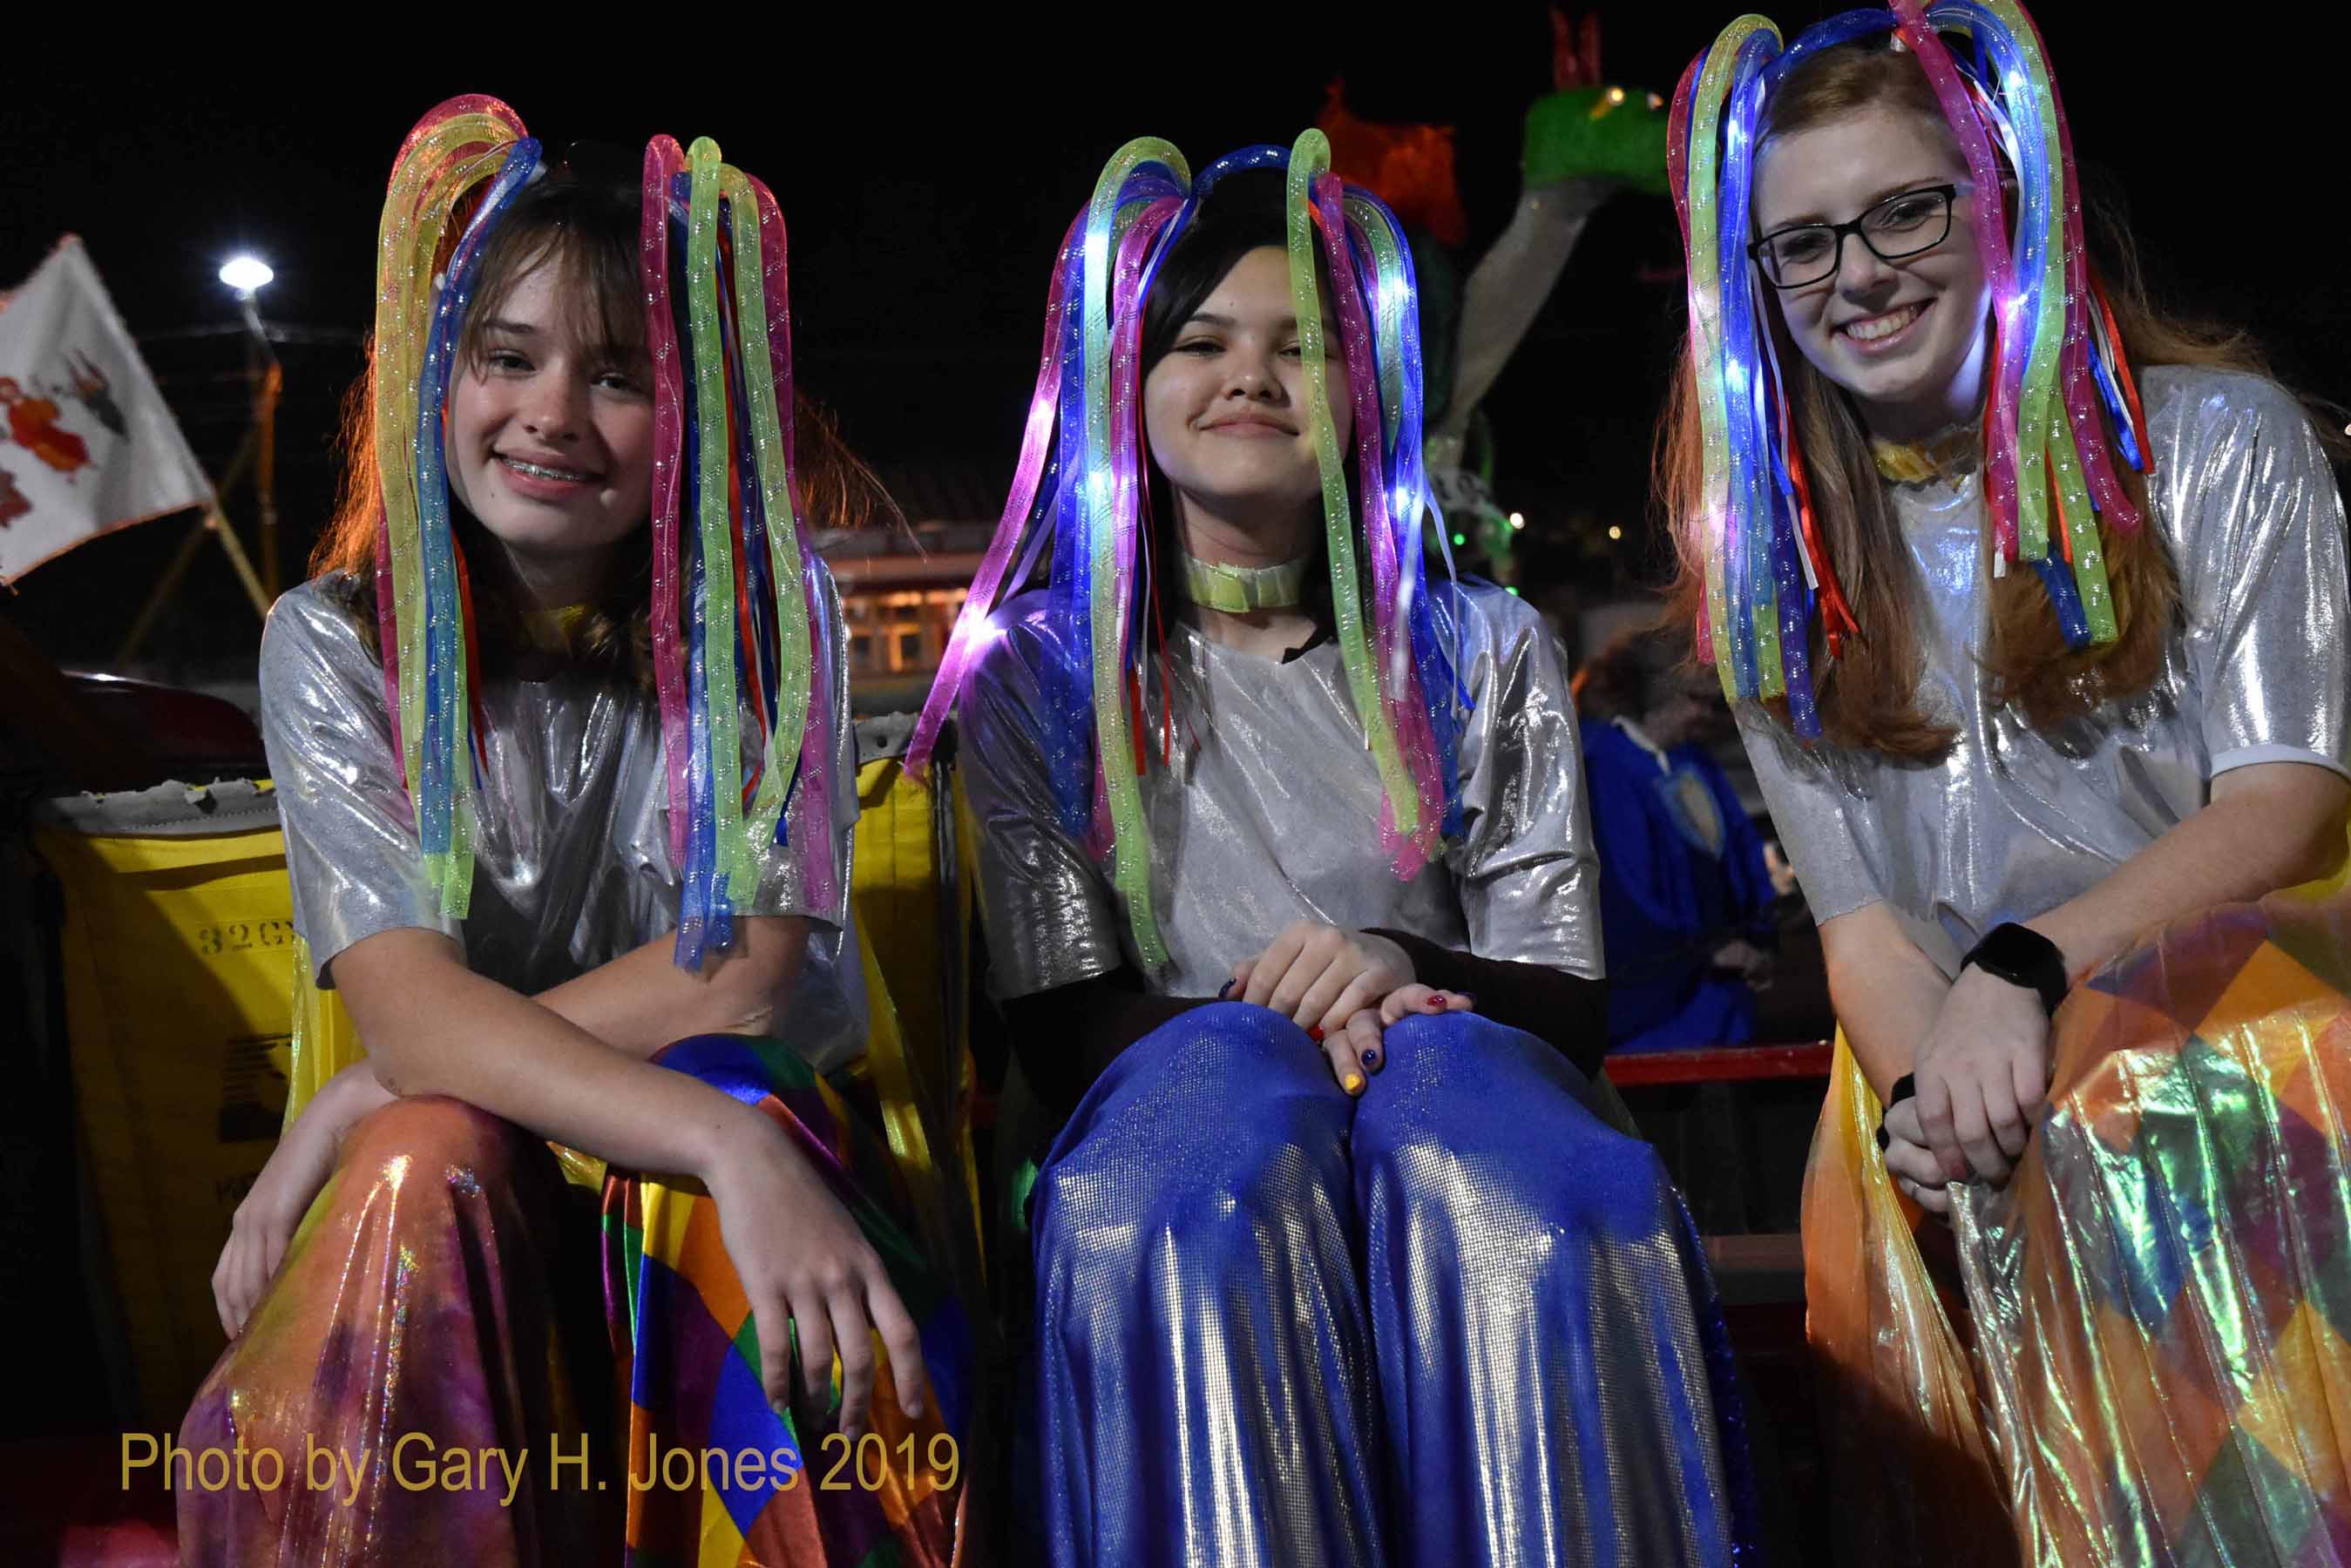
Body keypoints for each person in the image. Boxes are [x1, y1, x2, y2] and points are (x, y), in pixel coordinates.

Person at [911, 132, 1756, 1567]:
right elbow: (1062, 1026)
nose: (1249, 376)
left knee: (1526, 1175)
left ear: (1366, 394)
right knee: (1208, 1153)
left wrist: (1396, 966)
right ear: (1125, 381)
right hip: (1195, 1141)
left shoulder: (1484, 644)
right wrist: (1295, 1030)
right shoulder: (1039, 675)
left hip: (1447, 1086)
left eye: (1300, 347)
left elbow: (1568, 1001)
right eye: (1201, 341)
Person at [175, 99, 967, 1565]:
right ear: (439, 375)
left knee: (722, 1084)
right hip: (501, 1175)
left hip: (735, 1161)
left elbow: (734, 977)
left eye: (618, 378)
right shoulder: (335, 641)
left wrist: (723, 1143)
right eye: (509, 357)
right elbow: (412, 1022)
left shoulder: (761, 615)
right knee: (422, 1146)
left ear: (697, 415)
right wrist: (404, 1089)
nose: (550, 412)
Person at [1663, 5, 2351, 1559]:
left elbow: (2283, 806)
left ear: (2000, 206)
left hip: (2245, 1022)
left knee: (2136, 1117)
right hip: (1953, 1053)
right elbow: (1855, 928)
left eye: (1903, 209)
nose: (1856, 273)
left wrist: (2026, 974)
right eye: (1801, 244)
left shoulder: (2216, 445)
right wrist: (1933, 1104)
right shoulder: (1768, 556)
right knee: (1941, 1191)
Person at [1572, 624, 1779, 1051]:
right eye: (1696, 699)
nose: (1707, 714)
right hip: (1654, 1008)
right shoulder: (1606, 764)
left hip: (1720, 992)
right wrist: (1700, 952)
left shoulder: (1690, 761)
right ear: (1656, 694)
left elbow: (1740, 855)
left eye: (1714, 701)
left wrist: (1759, 939)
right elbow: (1624, 890)